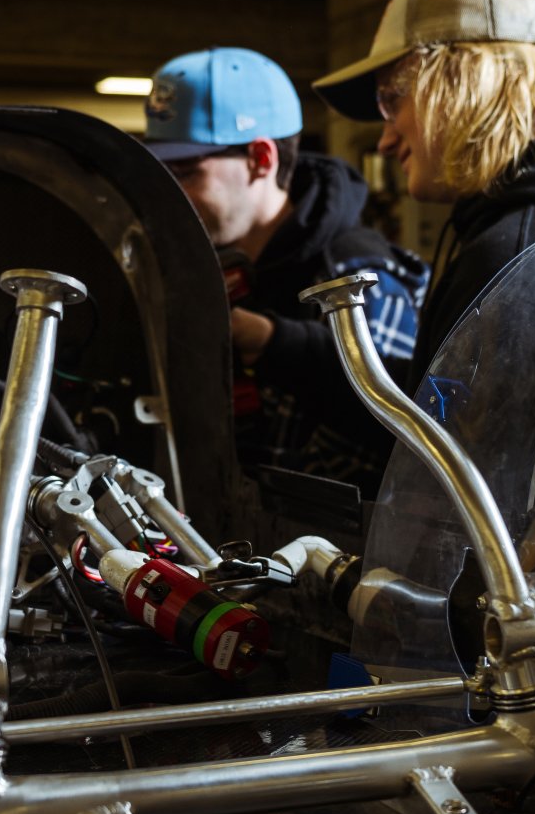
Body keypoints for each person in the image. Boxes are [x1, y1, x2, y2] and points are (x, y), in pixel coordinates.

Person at [313, 0, 535, 387]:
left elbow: (452, 447)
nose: (385, 140)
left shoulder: (515, 256)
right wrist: (286, 347)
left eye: (392, 100)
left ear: (459, 83)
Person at [142, 47, 427, 493]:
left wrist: (276, 347)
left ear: (261, 158)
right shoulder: (213, 266)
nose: (171, 196)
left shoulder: (355, 276)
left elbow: (395, 441)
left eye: (186, 173)